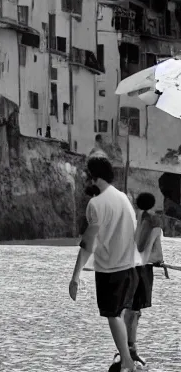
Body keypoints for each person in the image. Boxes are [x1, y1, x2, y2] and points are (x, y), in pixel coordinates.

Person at [69, 156, 141, 372]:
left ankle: (127, 362)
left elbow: (88, 244)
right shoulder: (123, 198)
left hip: (112, 270)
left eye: (87, 175)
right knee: (119, 313)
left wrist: (75, 276)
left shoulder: (96, 204)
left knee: (112, 315)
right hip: (132, 268)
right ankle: (127, 356)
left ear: (95, 177)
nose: (85, 179)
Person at [116, 192, 164, 368]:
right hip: (141, 270)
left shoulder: (132, 217)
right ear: (153, 204)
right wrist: (157, 260)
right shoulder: (153, 221)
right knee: (134, 311)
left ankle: (128, 348)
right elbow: (152, 252)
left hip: (127, 267)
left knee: (129, 309)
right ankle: (130, 349)